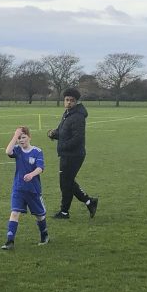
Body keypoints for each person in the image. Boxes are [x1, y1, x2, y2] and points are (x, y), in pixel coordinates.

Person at [48, 88, 99, 219]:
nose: (69, 102)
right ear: (64, 101)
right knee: (67, 182)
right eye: (67, 100)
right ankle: (87, 202)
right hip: (67, 154)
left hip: (73, 155)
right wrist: (53, 134)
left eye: (72, 100)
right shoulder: (67, 113)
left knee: (66, 183)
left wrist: (63, 146)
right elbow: (63, 132)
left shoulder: (77, 117)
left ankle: (67, 211)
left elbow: (78, 138)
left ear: (76, 101)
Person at [1, 126, 48, 249]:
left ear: (29, 137)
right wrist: (14, 136)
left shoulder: (37, 151)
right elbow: (7, 151)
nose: (21, 140)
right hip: (18, 188)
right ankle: (10, 241)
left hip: (33, 190)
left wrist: (32, 175)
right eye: (19, 138)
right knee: (14, 213)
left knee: (40, 215)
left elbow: (40, 168)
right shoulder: (17, 150)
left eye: (23, 137)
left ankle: (44, 235)